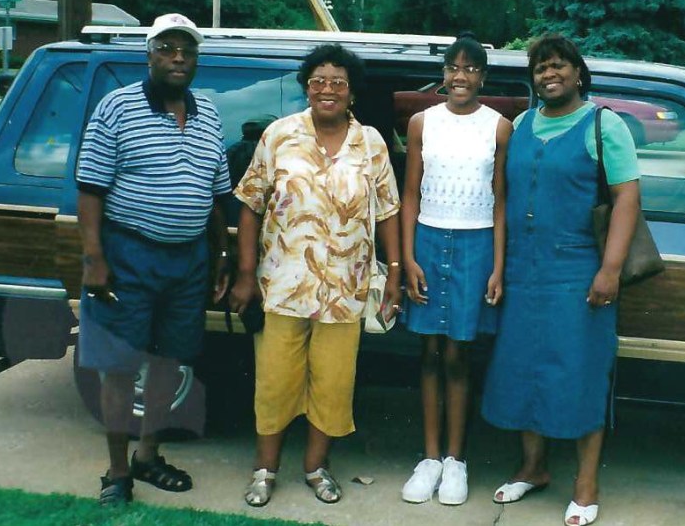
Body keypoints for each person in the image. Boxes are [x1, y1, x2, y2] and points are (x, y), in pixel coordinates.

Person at [230, 44, 402, 508]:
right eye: (319, 81)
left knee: (332, 383)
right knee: (275, 381)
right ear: (307, 87)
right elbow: (249, 205)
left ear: (351, 93)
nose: (328, 89)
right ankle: (265, 470)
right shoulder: (279, 136)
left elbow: (388, 212)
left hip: (346, 289)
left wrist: (396, 275)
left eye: (338, 82)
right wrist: (245, 273)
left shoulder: (371, 143)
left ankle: (315, 468)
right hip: (282, 286)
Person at [481, 34, 640, 526]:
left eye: (559, 66)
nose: (549, 75)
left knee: (579, 376)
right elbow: (503, 198)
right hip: (525, 272)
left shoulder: (603, 125)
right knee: (523, 370)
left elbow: (627, 199)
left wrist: (609, 269)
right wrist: (500, 268)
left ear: (578, 73)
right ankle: (533, 468)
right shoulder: (523, 124)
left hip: (578, 274)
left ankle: (585, 484)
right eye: (540, 68)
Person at [76, 13, 232, 506]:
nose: (178, 57)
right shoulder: (117, 107)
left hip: (187, 262)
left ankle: (149, 455)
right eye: (167, 47)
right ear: (150, 53)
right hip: (127, 256)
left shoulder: (207, 111)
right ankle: (117, 473)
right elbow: (90, 188)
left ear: (196, 59)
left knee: (168, 364)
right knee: (119, 368)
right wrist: (95, 258)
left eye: (186, 49)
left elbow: (214, 193)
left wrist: (221, 253)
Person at [399, 33, 512, 506]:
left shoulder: (500, 126)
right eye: (452, 67)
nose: (459, 76)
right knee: (428, 353)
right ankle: (428, 458)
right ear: (443, 73)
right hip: (428, 239)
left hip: (477, 244)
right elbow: (409, 195)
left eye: (469, 69)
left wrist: (499, 267)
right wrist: (406, 259)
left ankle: (455, 460)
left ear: (483, 76)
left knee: (459, 356)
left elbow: (502, 200)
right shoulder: (421, 122)